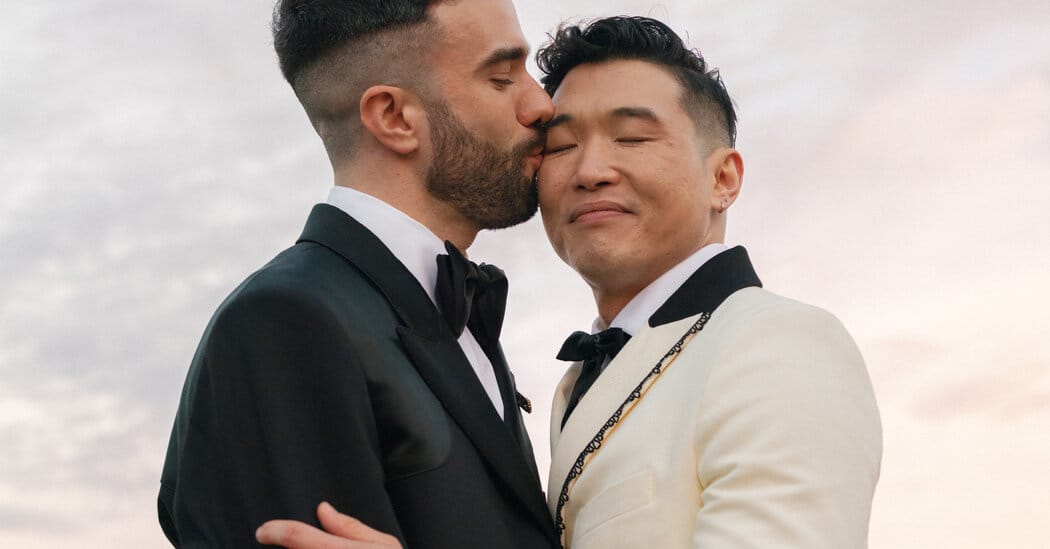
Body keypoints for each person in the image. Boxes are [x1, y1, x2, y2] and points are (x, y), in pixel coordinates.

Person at [256, 15, 882, 549]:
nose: (591, 171)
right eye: (559, 147)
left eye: (633, 137)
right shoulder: (570, 388)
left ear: (723, 179)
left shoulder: (781, 343)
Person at [158, 1, 559, 547]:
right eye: (502, 77)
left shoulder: (448, 309)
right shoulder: (285, 323)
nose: (541, 104)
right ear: (394, 117)